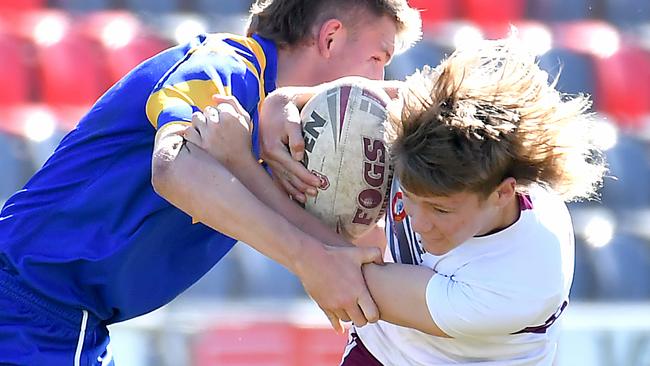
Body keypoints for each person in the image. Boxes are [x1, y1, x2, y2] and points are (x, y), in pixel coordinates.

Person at [0, 1, 421, 364]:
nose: (380, 79)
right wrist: (308, 258)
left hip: (65, 321)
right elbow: (174, 167)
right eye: (378, 58)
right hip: (26, 305)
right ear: (330, 38)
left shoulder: (287, 133)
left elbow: (337, 253)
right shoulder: (226, 67)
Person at [253, 37, 606, 365]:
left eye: (440, 209)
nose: (418, 222)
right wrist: (283, 101)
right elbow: (362, 99)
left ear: (503, 193)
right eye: (410, 196)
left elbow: (337, 276)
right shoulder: (423, 132)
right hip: (380, 354)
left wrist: (241, 166)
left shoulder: (523, 277)